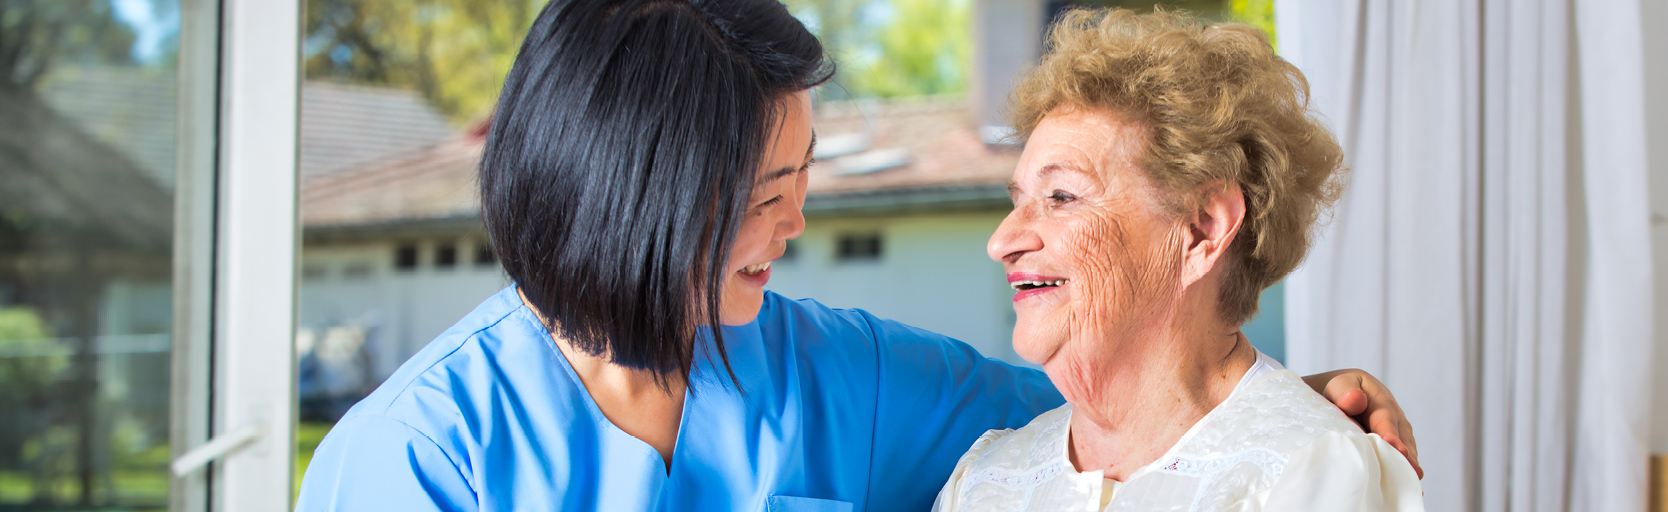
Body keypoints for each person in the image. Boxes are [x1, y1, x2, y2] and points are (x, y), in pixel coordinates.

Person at [293, 1, 1419, 510]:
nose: (795, 228)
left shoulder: (839, 378)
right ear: (647, 197)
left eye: (803, 183)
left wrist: (1283, 406)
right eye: (767, 194)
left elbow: (1106, 416)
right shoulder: (416, 459)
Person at [934, 9, 1422, 511]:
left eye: (1061, 196)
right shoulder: (984, 480)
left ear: (1202, 228)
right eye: (1017, 202)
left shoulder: (1312, 473)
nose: (1001, 241)